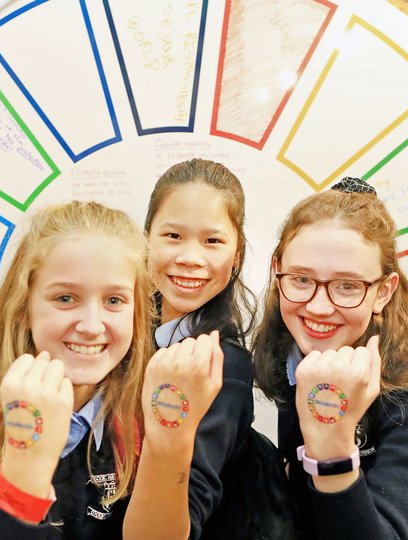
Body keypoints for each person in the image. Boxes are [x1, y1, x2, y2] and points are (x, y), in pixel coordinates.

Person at [0, 201, 223, 539]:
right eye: (65, 298)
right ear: (23, 308)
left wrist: (171, 442)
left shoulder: (141, 423)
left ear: (137, 315)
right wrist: (25, 473)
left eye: (114, 301)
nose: (91, 325)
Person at [253, 178, 408, 539]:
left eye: (347, 286)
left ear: (382, 292)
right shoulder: (288, 346)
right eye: (301, 279)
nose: (318, 306)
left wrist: (333, 448)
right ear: (278, 271)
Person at [144, 159, 290, 539]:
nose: (191, 258)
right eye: (173, 236)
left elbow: (183, 518)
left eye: (213, 241)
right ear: (146, 238)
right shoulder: (118, 334)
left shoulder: (224, 367)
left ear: (237, 254)